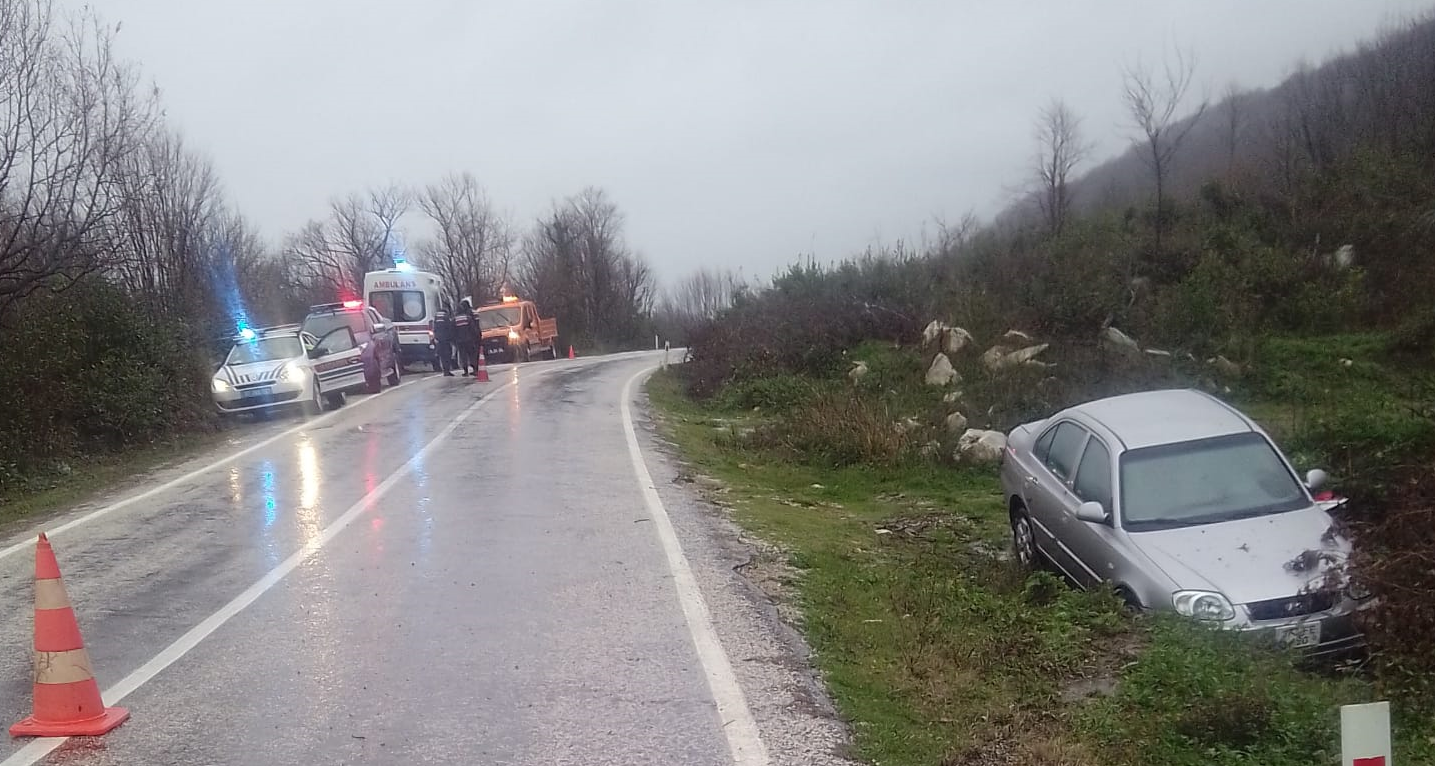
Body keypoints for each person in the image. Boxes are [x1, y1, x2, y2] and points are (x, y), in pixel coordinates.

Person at [453, 299, 477, 375]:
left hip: (460, 341)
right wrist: (474, 338)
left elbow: (453, 331)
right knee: (471, 354)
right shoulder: (468, 318)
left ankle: (465, 371)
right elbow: (473, 329)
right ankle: (475, 369)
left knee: (463, 356)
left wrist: (454, 341)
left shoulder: (455, 320)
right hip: (469, 339)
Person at [433, 302, 455, 376]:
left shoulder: (436, 316)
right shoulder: (446, 316)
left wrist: (435, 337)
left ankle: (445, 370)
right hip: (446, 338)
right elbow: (449, 327)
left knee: (442, 355)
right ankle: (447, 370)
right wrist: (451, 338)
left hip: (439, 339)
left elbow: (435, 328)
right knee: (447, 354)